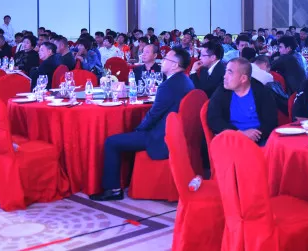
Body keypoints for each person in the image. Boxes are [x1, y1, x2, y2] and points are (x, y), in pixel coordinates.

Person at [89, 49, 194, 201]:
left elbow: (153, 115)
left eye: (166, 59)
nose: (162, 61)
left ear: (174, 65)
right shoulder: (186, 81)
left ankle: (113, 189)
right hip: (176, 134)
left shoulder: (168, 86)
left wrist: (138, 130)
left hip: (160, 138)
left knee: (111, 142)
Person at [207, 57, 277, 146]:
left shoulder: (262, 92)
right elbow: (213, 119)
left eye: (230, 72)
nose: (224, 76)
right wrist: (239, 133)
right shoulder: (222, 91)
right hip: (232, 139)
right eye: (225, 71)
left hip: (258, 139)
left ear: (243, 78)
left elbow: (271, 122)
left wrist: (255, 136)